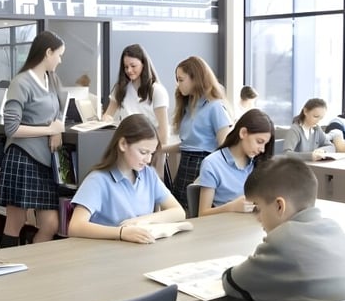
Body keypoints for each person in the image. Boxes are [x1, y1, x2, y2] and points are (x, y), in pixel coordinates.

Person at [222, 158, 345, 301]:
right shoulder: (334, 228)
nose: (258, 218)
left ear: (279, 206)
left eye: (258, 208)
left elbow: (232, 282)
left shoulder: (284, 239)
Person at [0, 30, 66, 248]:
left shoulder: (51, 80)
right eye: (59, 54)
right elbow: (11, 128)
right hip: (22, 159)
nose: (60, 60)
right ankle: (5, 270)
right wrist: (48, 130)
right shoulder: (21, 82)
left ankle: (32, 264)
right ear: (48, 52)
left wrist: (56, 130)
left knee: (51, 224)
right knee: (15, 222)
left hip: (45, 163)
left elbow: (56, 116)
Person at [68, 114, 185, 243]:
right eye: (143, 152)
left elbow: (179, 212)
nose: (148, 159)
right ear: (123, 144)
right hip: (106, 255)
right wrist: (121, 233)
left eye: (151, 153)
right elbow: (75, 226)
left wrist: (141, 221)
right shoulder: (97, 180)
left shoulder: (148, 175)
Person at [171, 56, 233, 208]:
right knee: (181, 212)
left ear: (195, 79)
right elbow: (189, 144)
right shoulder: (188, 106)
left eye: (181, 79)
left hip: (203, 165)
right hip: (185, 164)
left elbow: (223, 146)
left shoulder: (215, 107)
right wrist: (159, 149)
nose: (178, 85)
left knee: (196, 214)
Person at [101, 44, 170, 177]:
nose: (129, 70)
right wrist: (107, 120)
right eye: (126, 67)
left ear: (143, 64)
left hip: (149, 151)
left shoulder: (156, 91)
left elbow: (163, 133)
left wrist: (150, 151)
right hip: (126, 151)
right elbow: (107, 115)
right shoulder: (120, 89)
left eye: (133, 66)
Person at [196, 109, 274, 216]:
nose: (262, 149)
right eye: (259, 142)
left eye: (265, 144)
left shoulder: (258, 163)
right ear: (243, 133)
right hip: (226, 228)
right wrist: (231, 207)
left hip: (255, 225)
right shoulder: (212, 164)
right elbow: (202, 214)